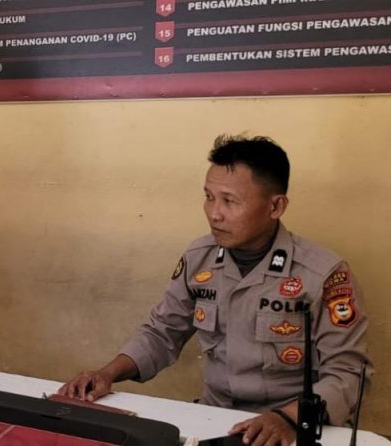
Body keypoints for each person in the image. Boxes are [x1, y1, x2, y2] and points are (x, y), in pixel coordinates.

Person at [57, 135, 371, 445]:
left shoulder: (323, 275)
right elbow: (162, 332)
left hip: (291, 428)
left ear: (276, 206)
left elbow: (348, 373)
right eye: (209, 197)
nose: (214, 213)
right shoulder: (200, 259)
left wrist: (287, 419)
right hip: (216, 420)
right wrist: (107, 374)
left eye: (229, 201)